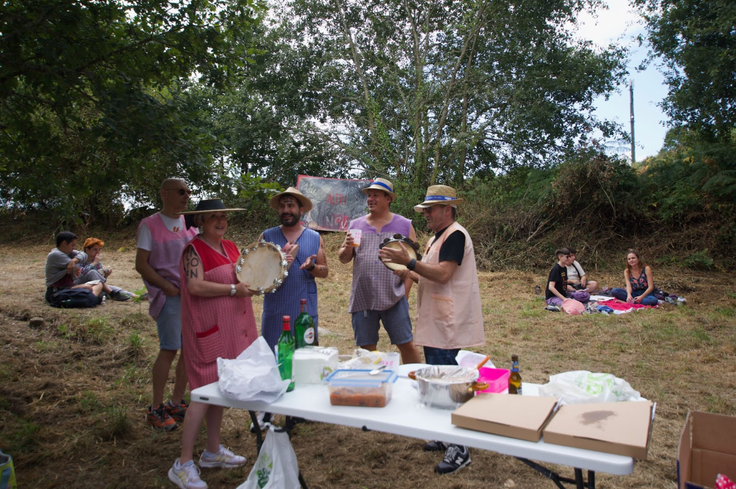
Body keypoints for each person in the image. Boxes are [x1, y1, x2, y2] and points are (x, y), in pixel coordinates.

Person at [379, 184, 484, 475]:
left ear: (446, 210)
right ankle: (442, 433)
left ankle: (459, 448)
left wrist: (409, 261)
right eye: (424, 210)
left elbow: (443, 274)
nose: (426, 215)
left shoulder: (455, 235)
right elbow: (427, 272)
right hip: (437, 317)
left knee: (450, 382)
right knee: (439, 378)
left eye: (430, 210)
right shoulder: (438, 237)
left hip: (447, 319)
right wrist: (402, 268)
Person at [168, 199, 256, 489]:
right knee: (202, 395)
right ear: (201, 222)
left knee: (220, 390)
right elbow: (194, 286)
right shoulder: (194, 250)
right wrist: (233, 290)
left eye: (223, 217)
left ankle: (212, 452)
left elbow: (247, 277)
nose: (220, 221)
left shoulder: (230, 247)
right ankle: (182, 464)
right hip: (208, 331)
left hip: (233, 330)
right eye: (213, 217)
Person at [136, 178, 198, 431]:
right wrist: (166, 286)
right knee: (169, 348)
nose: (186, 196)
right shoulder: (149, 225)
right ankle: (156, 407)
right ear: (164, 194)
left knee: (188, 349)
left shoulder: (191, 222)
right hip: (170, 297)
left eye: (189, 191)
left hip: (192, 297)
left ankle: (176, 402)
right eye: (181, 191)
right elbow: (141, 264)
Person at [338, 178, 421, 364]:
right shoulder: (356, 225)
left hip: (394, 296)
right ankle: (373, 384)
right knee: (367, 348)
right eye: (369, 195)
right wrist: (348, 247)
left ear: (388, 198)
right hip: (363, 296)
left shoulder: (404, 225)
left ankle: (413, 379)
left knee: (405, 343)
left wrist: (405, 293)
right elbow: (344, 258)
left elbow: (413, 262)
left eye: (376, 195)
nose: (370, 199)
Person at [259, 187, 328, 351]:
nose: (286, 210)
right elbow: (257, 274)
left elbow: (324, 271)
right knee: (274, 358)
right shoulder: (267, 237)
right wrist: (279, 260)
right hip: (275, 310)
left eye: (290, 206)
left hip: (304, 310)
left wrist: (311, 266)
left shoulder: (315, 238)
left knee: (305, 359)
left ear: (301, 210)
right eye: (282, 206)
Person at [45, 231, 104, 304]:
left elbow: (84, 255)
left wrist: (74, 260)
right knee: (88, 288)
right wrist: (76, 263)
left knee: (98, 283)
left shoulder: (70, 253)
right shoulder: (55, 255)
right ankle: (93, 298)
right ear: (64, 243)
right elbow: (77, 268)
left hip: (70, 287)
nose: (74, 247)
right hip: (57, 291)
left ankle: (92, 297)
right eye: (72, 245)